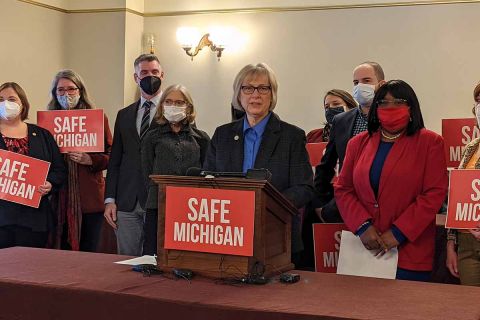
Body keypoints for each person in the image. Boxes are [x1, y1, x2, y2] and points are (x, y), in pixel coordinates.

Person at [335, 80, 448, 281]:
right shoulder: (357, 143)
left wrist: (398, 232)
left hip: (410, 252)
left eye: (398, 102)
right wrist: (362, 227)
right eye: (384, 103)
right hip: (364, 249)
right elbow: (343, 188)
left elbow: (434, 193)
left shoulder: (431, 142)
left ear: (411, 107)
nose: (390, 108)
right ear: (375, 109)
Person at [203, 63, 315, 265]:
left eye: (263, 88)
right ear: (239, 95)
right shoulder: (222, 135)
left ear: (272, 95)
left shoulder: (292, 136)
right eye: (248, 88)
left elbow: (305, 188)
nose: (256, 95)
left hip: (276, 236)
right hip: (229, 234)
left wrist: (266, 205)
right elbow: (208, 180)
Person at [104, 53, 164, 256]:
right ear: (136, 78)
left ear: (162, 74)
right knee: (126, 260)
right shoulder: (124, 115)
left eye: (154, 72)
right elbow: (115, 161)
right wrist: (110, 199)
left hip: (158, 198)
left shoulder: (173, 112)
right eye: (144, 73)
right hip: (126, 200)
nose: (150, 76)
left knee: (156, 259)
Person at [47, 69, 113, 252]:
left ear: (80, 90)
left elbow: (112, 156)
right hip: (59, 198)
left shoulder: (97, 119)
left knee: (88, 250)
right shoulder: (47, 122)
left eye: (71, 89)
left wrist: (90, 160)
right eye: (60, 90)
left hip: (90, 199)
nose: (66, 94)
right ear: (55, 93)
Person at [312, 62, 386, 223]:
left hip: (386, 205)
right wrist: (321, 206)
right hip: (348, 208)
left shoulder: (394, 119)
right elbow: (326, 166)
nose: (360, 86)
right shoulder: (341, 121)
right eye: (355, 83)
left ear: (381, 85)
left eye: (366, 81)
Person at [141, 84, 210, 255]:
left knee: (187, 255)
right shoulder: (151, 137)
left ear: (188, 108)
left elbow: (207, 172)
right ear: (162, 105)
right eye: (169, 102)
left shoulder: (201, 138)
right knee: (153, 254)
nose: (174, 106)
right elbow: (146, 171)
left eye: (179, 103)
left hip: (191, 208)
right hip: (158, 203)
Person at [0, 82, 66, 249]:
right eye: (0, 99)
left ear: (22, 104)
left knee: (32, 268)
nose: (6, 103)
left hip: (34, 219)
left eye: (12, 99)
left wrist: (50, 183)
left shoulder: (42, 135)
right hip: (2, 218)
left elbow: (59, 170)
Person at [446, 82, 480, 286]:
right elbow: (457, 197)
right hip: (467, 243)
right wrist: (451, 242)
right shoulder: (471, 147)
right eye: (478, 101)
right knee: (470, 308)